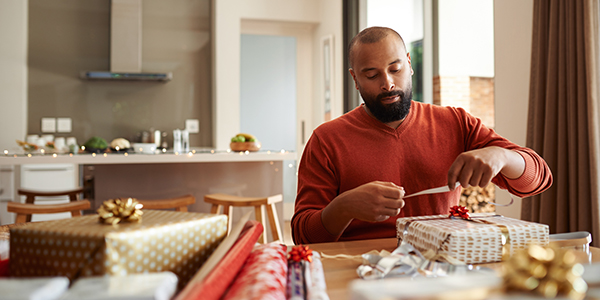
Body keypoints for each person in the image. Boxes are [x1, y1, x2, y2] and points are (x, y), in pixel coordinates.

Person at [291, 26, 552, 245]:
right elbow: (303, 236)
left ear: (409, 64)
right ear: (355, 79)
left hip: (442, 263)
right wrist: (344, 207)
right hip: (359, 270)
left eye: (395, 69)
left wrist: (502, 156)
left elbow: (538, 179)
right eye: (371, 75)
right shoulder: (326, 140)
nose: (388, 83)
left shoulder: (455, 122)